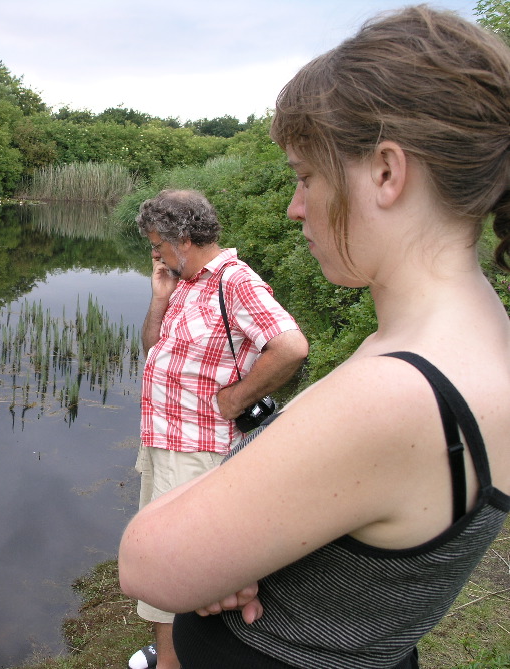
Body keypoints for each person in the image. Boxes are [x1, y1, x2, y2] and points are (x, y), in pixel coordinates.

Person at [119, 5, 510, 669]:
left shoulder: (399, 391)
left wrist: (215, 558)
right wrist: (241, 547)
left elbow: (147, 564)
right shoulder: (476, 336)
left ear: (386, 172)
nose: (293, 206)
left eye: (305, 176)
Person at [129, 189, 309, 669]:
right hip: (167, 442)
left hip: (200, 453)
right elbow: (154, 347)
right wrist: (160, 297)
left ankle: (172, 662)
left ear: (182, 238)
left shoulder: (235, 282)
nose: (155, 255)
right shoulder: (186, 282)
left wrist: (237, 397)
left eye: (158, 245)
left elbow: (290, 347)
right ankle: (172, 652)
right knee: (166, 558)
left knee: (177, 564)